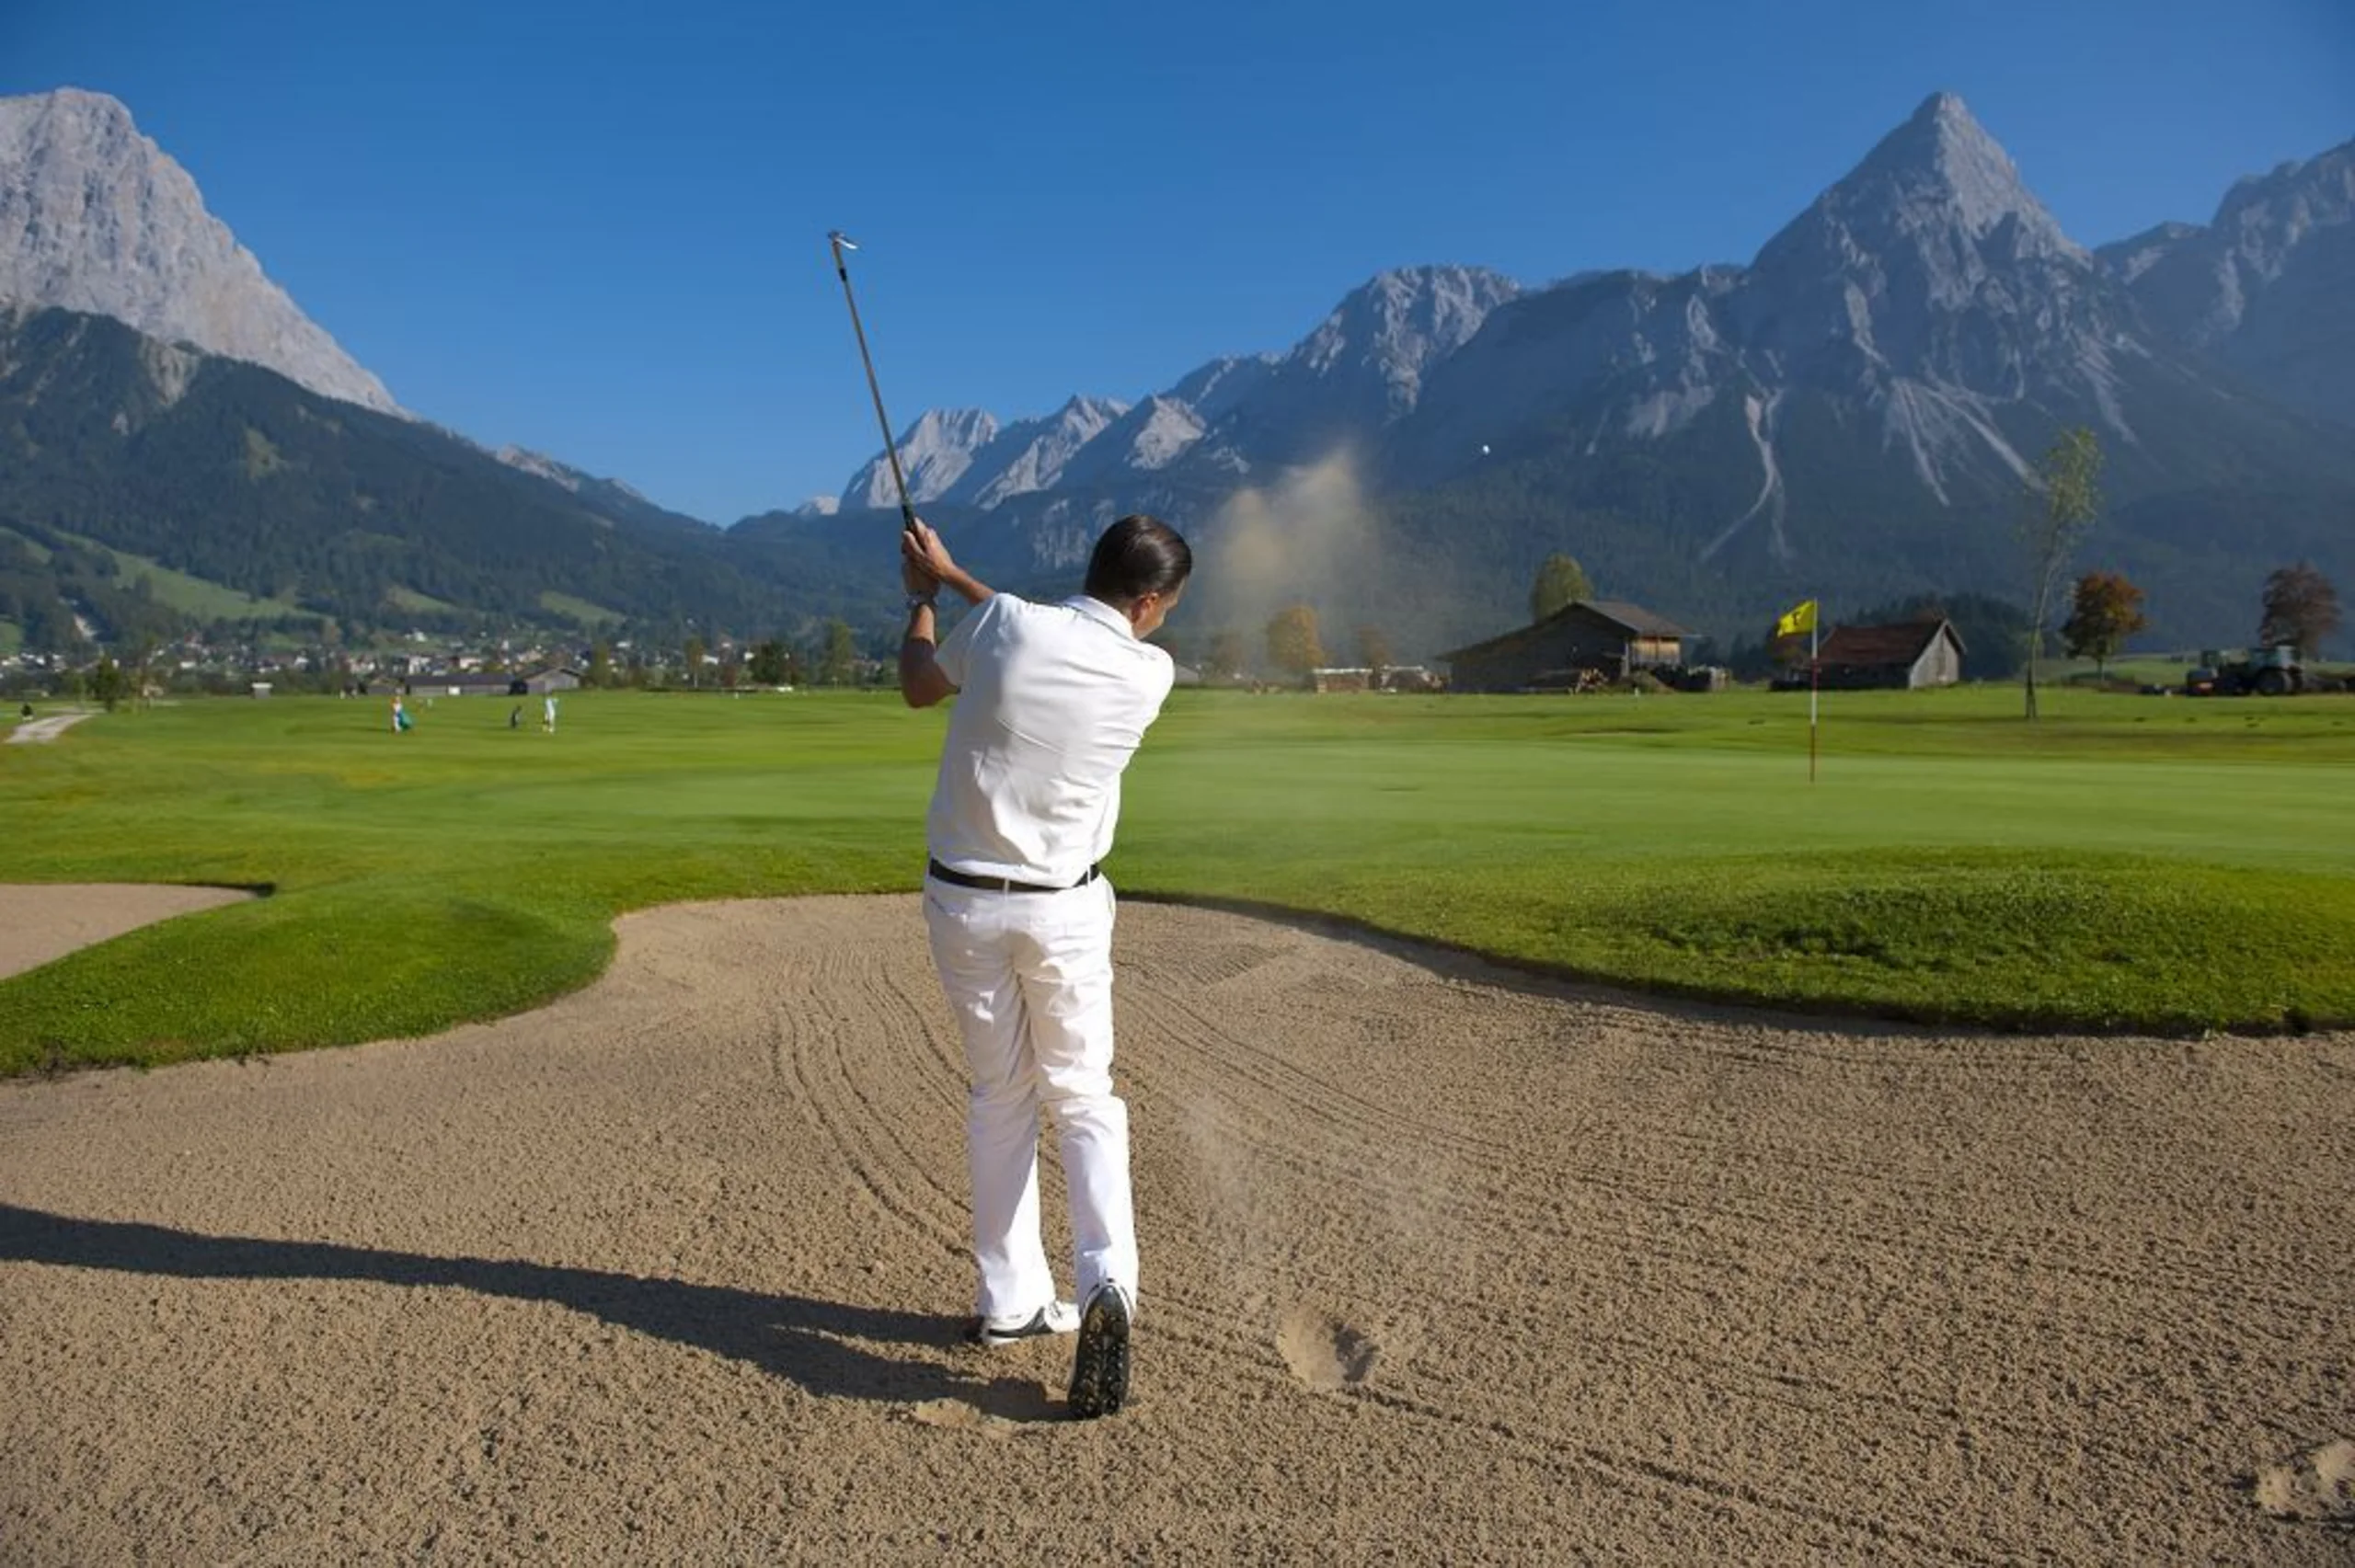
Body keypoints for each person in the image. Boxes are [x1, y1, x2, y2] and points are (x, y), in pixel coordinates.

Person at [898, 512, 1190, 1421]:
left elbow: (920, 685)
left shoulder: (1002, 626)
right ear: (1147, 604)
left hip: (963, 903)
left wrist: (924, 598)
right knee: (1083, 1095)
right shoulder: (1150, 672)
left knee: (1001, 1094)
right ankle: (1108, 1285)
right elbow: (1036, 633)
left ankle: (1011, 1300)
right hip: (1063, 909)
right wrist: (955, 579)